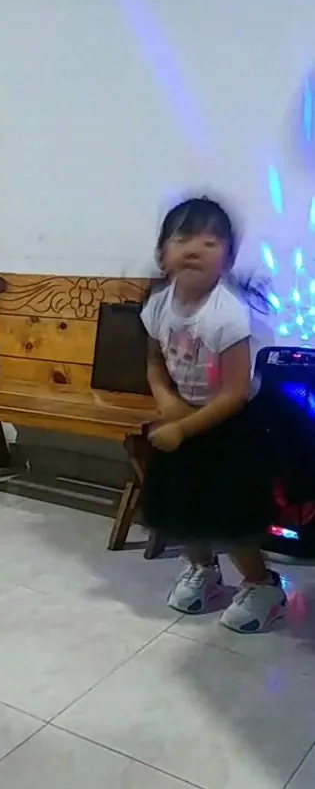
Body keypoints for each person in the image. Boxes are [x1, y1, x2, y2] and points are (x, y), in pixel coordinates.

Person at [141, 195, 287, 633]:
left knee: (230, 514)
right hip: (182, 417)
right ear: (162, 253)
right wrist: (166, 402)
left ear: (228, 258)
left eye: (211, 240)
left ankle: (262, 584)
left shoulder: (226, 315)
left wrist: (183, 428)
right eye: (183, 237)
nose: (195, 248)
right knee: (182, 507)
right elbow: (153, 362)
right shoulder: (159, 304)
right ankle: (203, 570)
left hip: (230, 426)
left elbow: (237, 392)